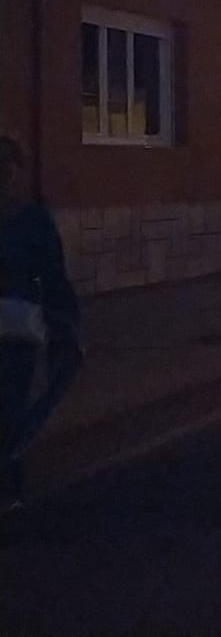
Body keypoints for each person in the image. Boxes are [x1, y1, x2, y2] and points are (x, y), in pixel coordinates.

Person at [0, 136, 82, 513]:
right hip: (18, 326)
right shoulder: (33, 220)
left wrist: (65, 324)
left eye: (7, 166)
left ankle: (8, 487)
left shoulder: (33, 221)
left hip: (15, 333)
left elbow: (53, 277)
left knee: (12, 407)